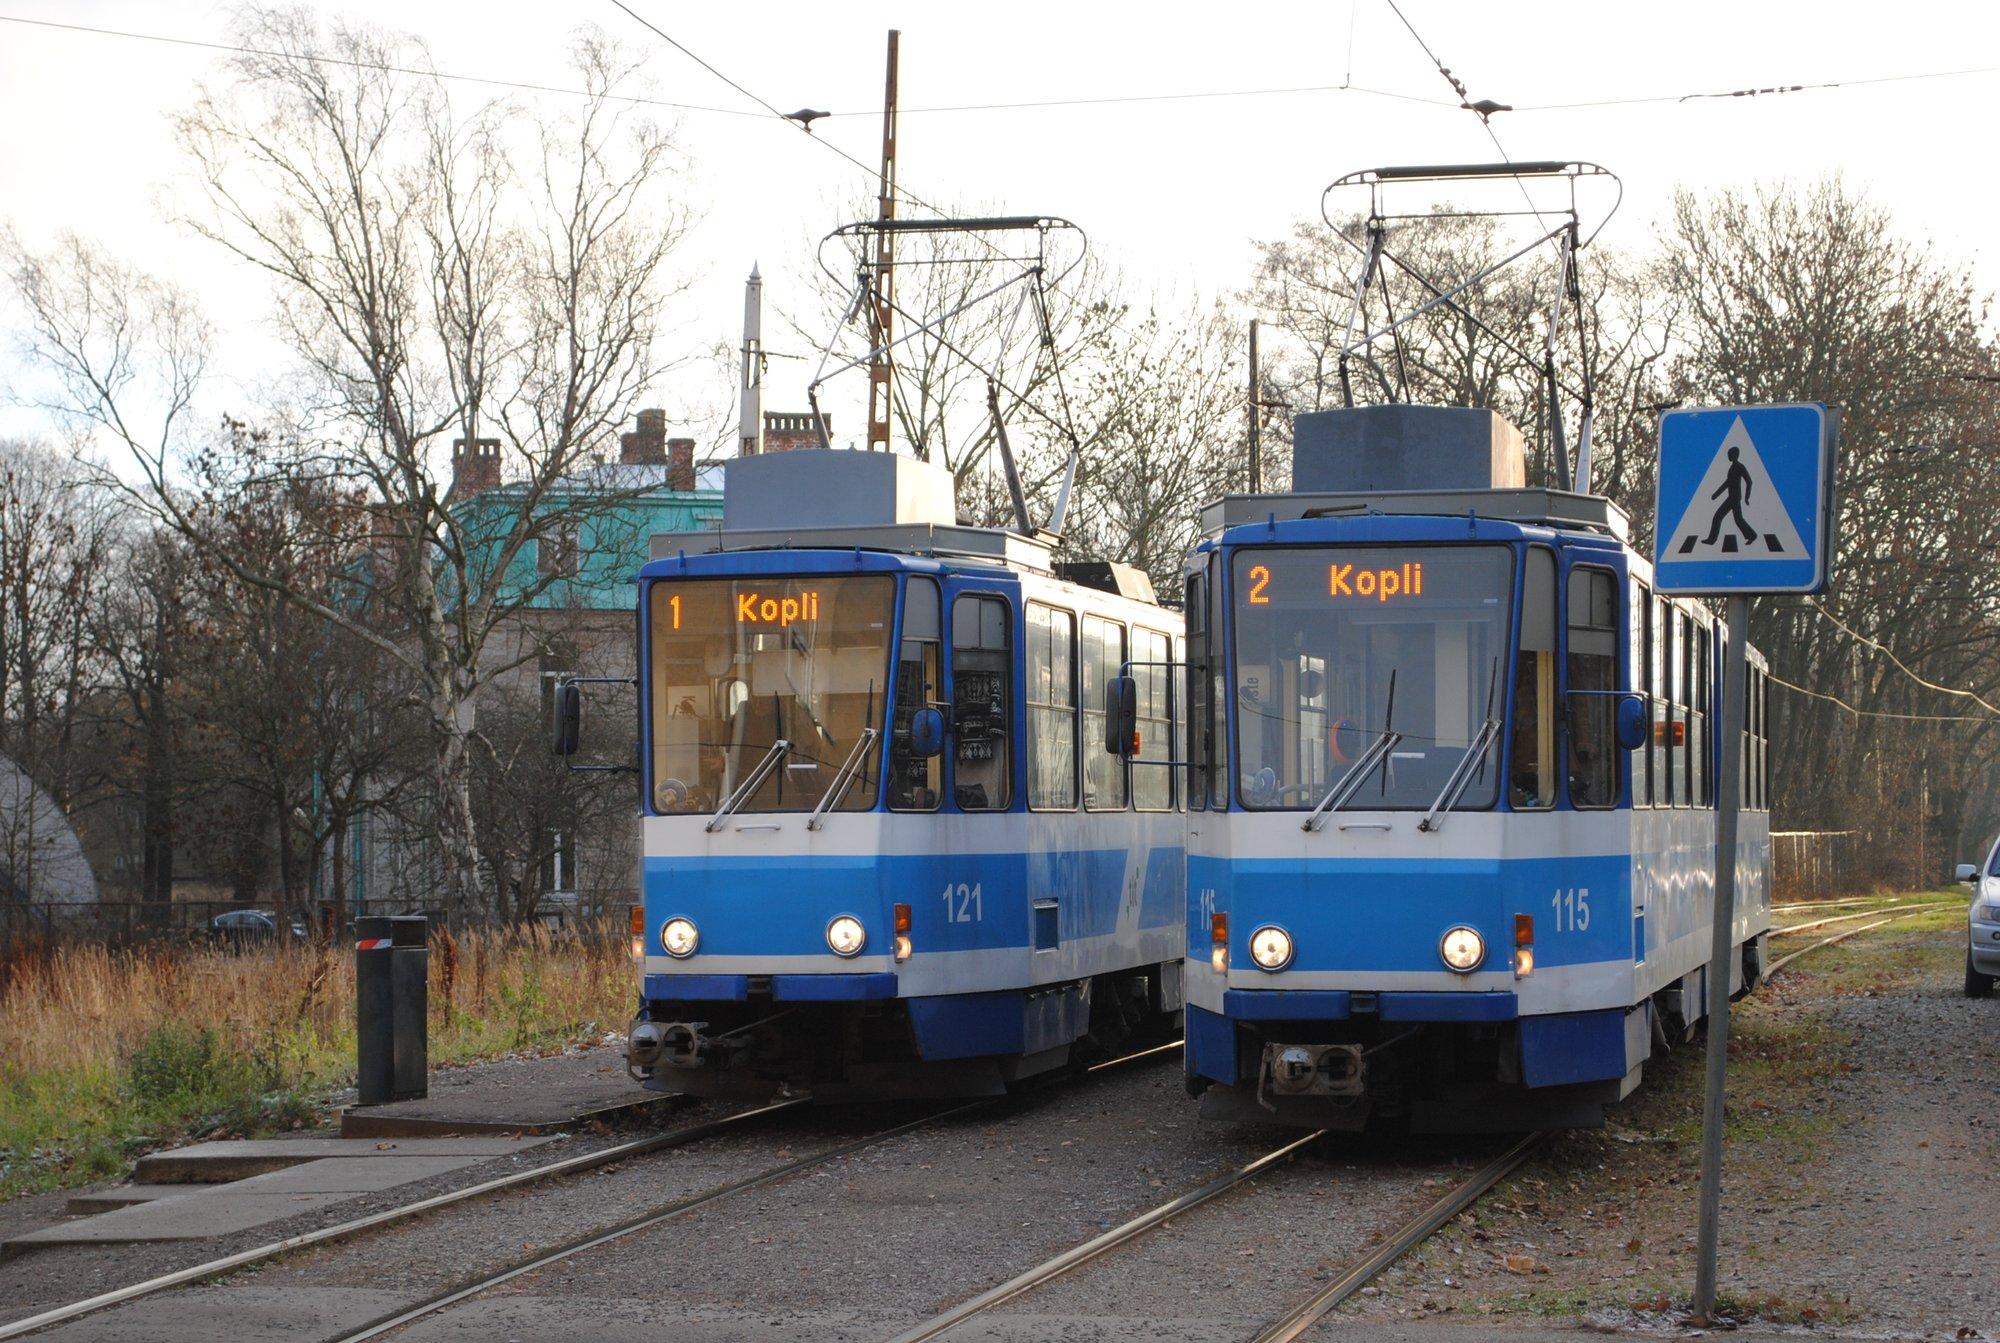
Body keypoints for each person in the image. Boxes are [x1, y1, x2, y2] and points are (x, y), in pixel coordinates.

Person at [1701, 446, 1757, 547]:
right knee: (1738, 519)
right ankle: (1752, 535)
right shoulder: (1732, 467)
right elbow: (1728, 483)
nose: (1728, 456)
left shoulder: (1739, 467)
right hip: (1733, 497)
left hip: (1734, 498)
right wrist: (1716, 494)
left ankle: (1711, 540)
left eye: (1730, 454)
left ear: (1735, 455)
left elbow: (1749, 481)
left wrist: (1747, 497)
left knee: (1718, 516)